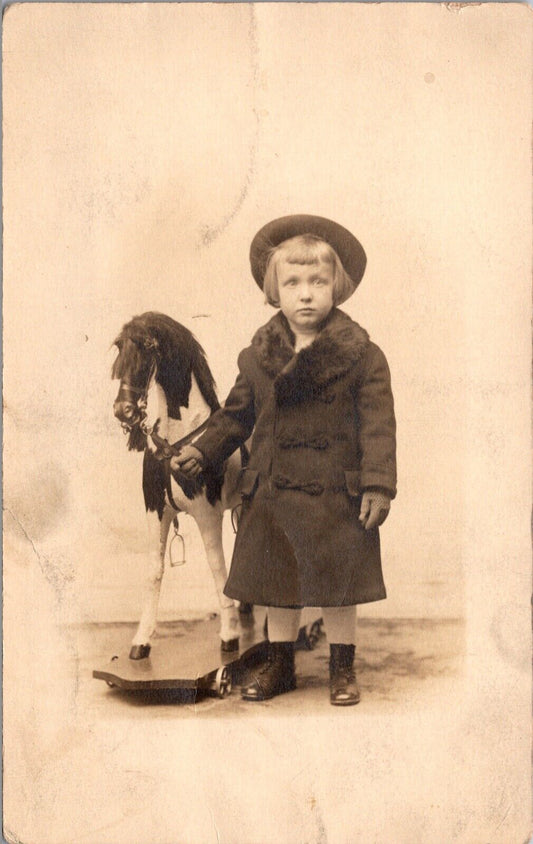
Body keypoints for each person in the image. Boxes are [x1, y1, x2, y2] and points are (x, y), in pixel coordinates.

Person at [172, 214, 397, 706]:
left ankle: (342, 667)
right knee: (277, 583)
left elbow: (379, 426)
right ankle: (279, 666)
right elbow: (234, 417)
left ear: (337, 286)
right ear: (274, 291)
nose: (306, 293)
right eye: (292, 282)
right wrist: (202, 450)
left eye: (318, 281)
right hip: (272, 491)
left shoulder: (363, 356)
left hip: (337, 493)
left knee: (340, 585)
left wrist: (378, 484)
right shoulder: (257, 357)